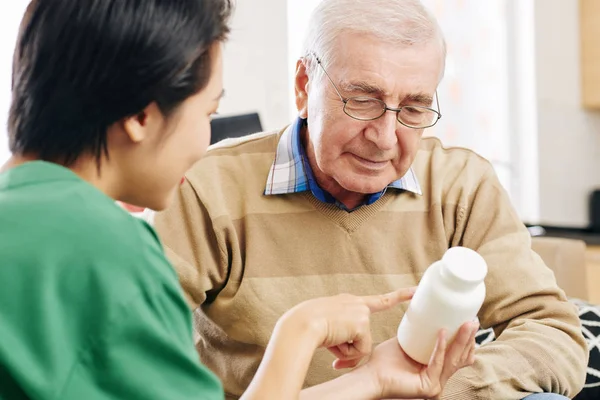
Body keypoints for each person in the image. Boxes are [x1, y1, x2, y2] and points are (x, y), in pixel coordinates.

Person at [0, 0, 479, 399]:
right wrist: (301, 335)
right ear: (141, 116)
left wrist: (362, 371)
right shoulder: (112, 256)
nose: (205, 142)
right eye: (209, 111)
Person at [152, 0, 589, 399]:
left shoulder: (462, 186)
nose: (384, 138)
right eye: (363, 101)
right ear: (304, 86)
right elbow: (130, 352)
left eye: (414, 109)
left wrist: (437, 390)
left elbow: (553, 331)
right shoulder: (206, 186)